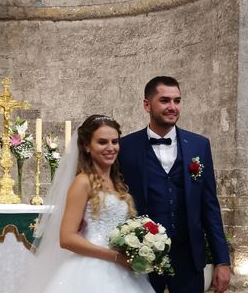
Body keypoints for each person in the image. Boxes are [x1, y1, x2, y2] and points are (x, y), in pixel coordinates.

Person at [119, 76, 232, 293]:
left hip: (188, 257)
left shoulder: (199, 145)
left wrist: (222, 261)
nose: (173, 107)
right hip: (142, 257)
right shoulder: (125, 147)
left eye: (177, 101)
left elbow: (210, 206)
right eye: (164, 101)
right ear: (146, 105)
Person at [20, 115, 155, 293]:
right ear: (86, 146)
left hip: (123, 270)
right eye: (102, 142)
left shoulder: (118, 182)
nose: (111, 148)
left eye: (114, 142)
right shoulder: (82, 182)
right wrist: (115, 256)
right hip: (92, 268)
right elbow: (67, 238)